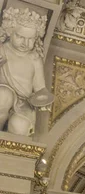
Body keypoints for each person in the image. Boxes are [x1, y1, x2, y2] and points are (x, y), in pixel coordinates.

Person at [0, 7, 53, 136]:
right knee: (3, 96)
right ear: (9, 31)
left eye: (31, 39)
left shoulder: (35, 58)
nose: (25, 42)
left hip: (24, 103)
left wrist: (43, 99)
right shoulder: (2, 49)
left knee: (20, 126)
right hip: (4, 92)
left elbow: (39, 87)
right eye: (20, 36)